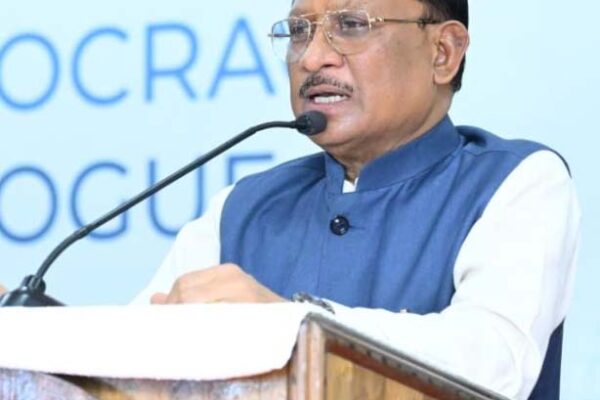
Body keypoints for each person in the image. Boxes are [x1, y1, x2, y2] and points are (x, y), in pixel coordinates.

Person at [4, 0, 578, 399]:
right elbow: (130, 359)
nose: (312, 57)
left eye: (351, 24)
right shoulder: (245, 207)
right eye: (300, 31)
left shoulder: (517, 181)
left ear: (443, 53)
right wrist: (27, 334)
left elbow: (493, 361)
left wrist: (291, 323)